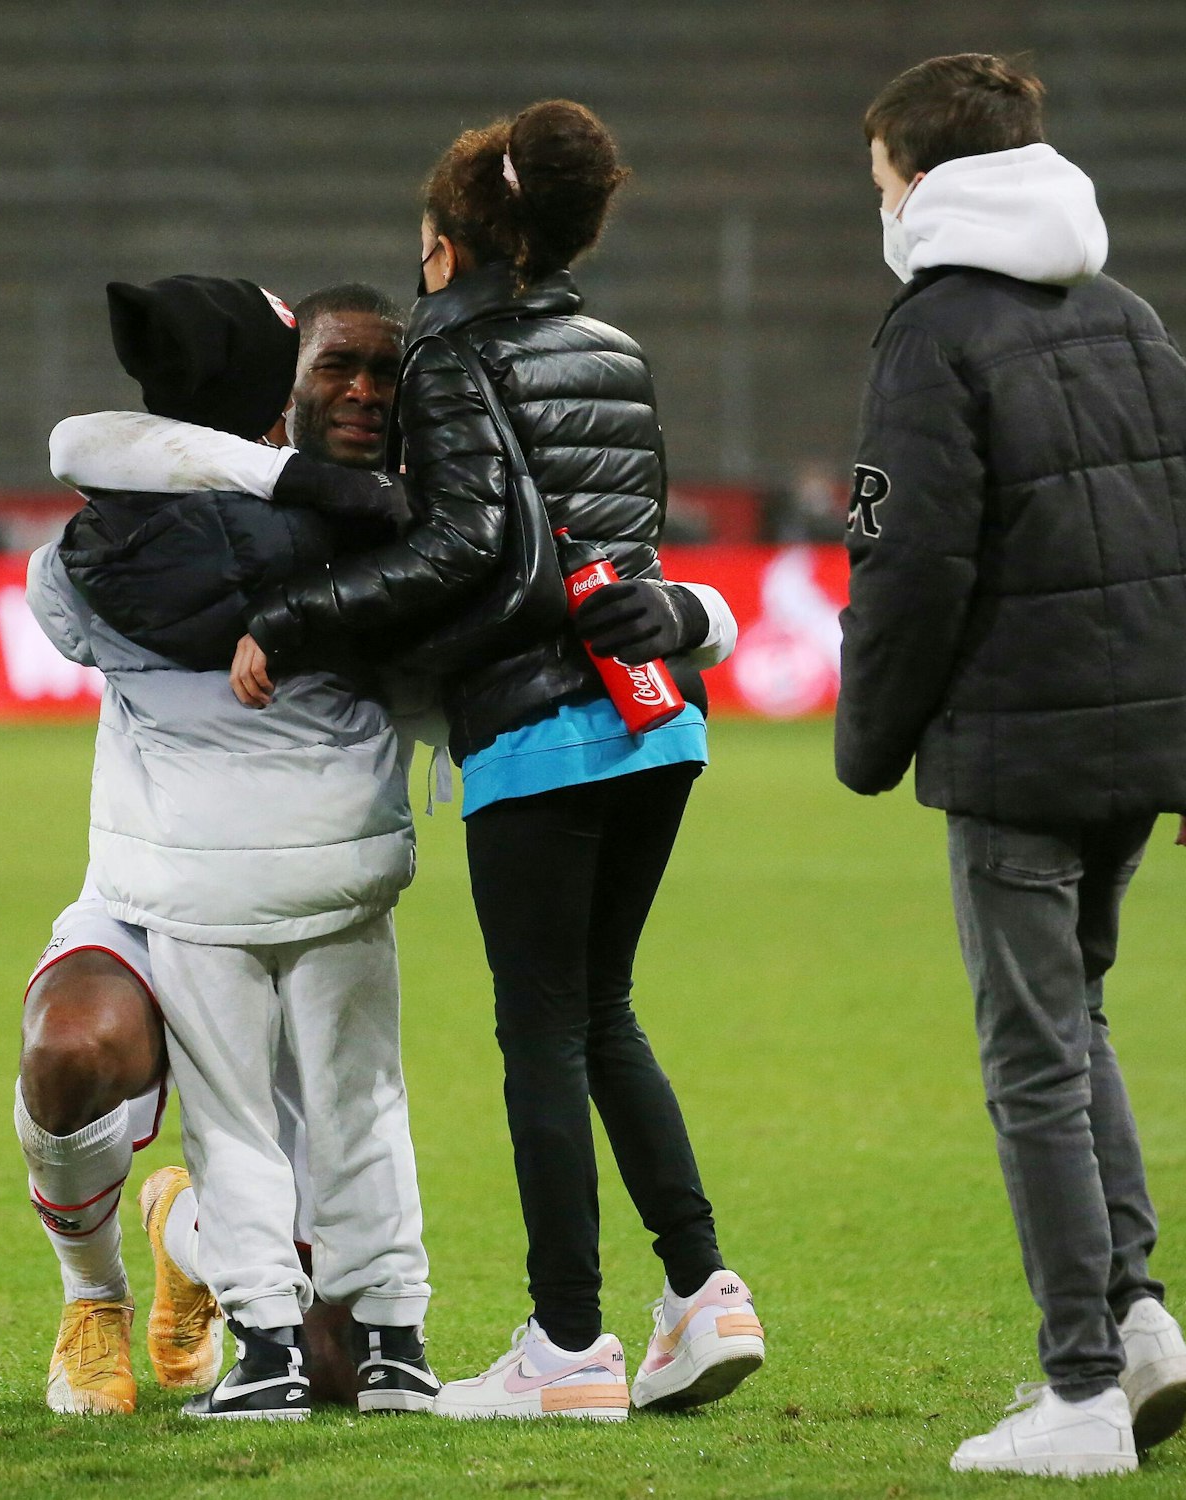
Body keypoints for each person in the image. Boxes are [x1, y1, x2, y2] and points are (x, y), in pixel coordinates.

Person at [222, 100, 763, 1420]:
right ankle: (702, 1292)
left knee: (542, 1035)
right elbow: (610, 541)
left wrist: (292, 619)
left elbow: (462, 547)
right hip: (653, 718)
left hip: (539, 726)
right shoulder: (618, 353)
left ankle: (566, 1346)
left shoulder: (454, 362)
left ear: (454, 245)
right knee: (605, 1011)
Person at [837, 54, 1186, 1476]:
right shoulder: (1129, 315)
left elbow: (907, 562)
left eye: (883, 177)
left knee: (1031, 1059)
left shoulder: (930, 334)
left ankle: (1079, 1392)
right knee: (1076, 1023)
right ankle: (1136, 1322)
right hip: (1142, 743)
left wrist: (867, 740)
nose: (878, 202)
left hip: (1017, 747)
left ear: (927, 180)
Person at [16, 277, 436, 1421]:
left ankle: (180, 1236)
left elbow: (68, 541)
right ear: (281, 397)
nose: (355, 397)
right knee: (72, 1053)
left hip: (285, 887)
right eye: (329, 375)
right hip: (150, 885)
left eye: (378, 380)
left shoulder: (106, 553)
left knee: (334, 1373)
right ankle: (90, 1298)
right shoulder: (383, 549)